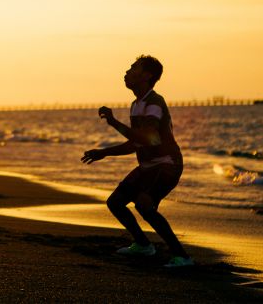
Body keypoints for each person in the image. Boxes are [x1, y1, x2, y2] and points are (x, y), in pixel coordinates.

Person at [82, 55, 193, 268]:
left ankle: (182, 257)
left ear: (147, 75)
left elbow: (148, 138)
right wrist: (104, 152)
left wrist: (114, 123)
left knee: (144, 204)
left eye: (134, 68)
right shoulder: (136, 104)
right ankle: (143, 245)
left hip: (167, 165)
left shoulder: (154, 103)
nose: (127, 72)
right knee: (115, 202)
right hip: (147, 167)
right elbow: (137, 143)